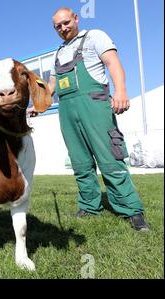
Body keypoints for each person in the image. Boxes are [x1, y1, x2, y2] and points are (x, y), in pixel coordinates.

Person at [46, 7, 149, 231]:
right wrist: (38, 104)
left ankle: (131, 210)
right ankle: (90, 206)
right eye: (58, 26)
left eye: (66, 22)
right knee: (80, 162)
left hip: (95, 106)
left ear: (76, 18)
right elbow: (52, 86)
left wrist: (120, 90)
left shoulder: (95, 37)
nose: (63, 28)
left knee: (110, 158)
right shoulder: (58, 53)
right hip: (67, 113)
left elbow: (113, 62)